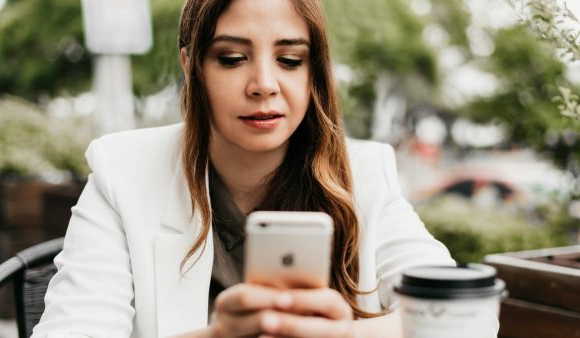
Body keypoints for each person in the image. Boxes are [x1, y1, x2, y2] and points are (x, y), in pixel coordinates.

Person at [31, 0, 454, 337]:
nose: (264, 83)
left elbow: (460, 314)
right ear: (190, 64)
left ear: (314, 72)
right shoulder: (122, 172)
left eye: (290, 60)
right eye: (233, 58)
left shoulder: (364, 172)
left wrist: (343, 336)